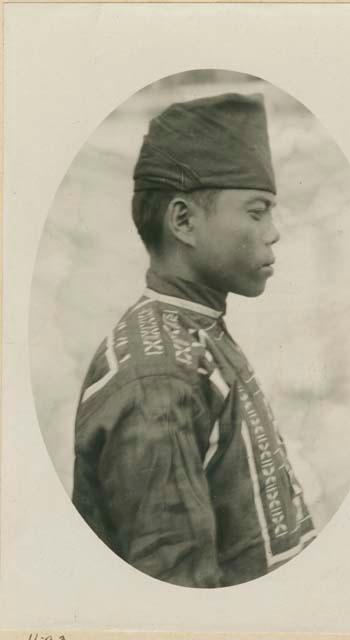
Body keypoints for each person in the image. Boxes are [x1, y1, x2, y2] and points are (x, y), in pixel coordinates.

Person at [72, 92, 315, 588]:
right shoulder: (157, 380)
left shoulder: (195, 328)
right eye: (256, 212)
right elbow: (177, 591)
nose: (273, 234)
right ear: (183, 221)